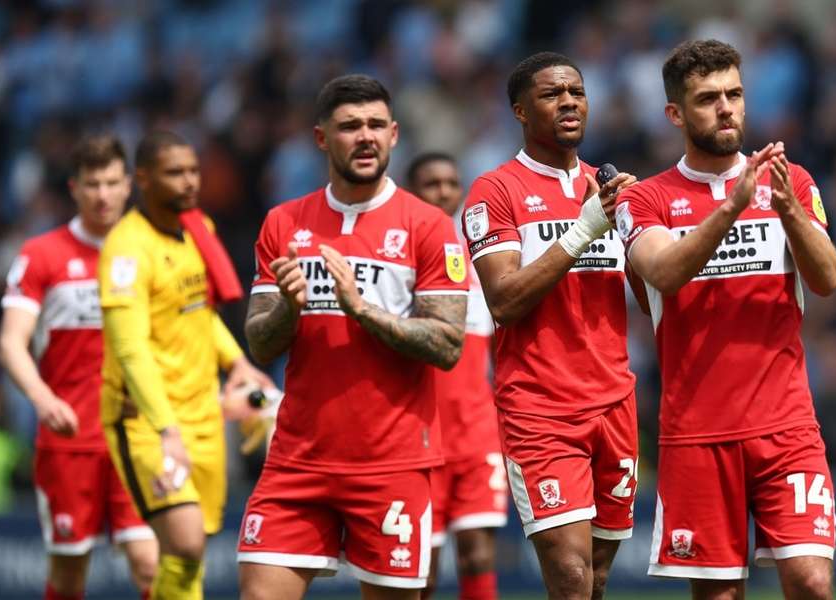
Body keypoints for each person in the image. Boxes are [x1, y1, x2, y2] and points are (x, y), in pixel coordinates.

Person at [616, 39, 836, 600]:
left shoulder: (794, 182)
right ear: (675, 113)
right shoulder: (645, 199)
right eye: (708, 98)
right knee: (718, 595)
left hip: (787, 425)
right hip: (696, 431)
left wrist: (787, 209)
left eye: (735, 94)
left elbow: (828, 277)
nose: (727, 108)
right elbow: (662, 272)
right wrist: (731, 207)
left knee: (812, 581)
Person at [236, 75, 469, 600]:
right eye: (349, 127)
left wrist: (362, 310)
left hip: (392, 463)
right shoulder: (283, 222)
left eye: (374, 126)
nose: (364, 137)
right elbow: (261, 341)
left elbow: (448, 344)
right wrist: (290, 310)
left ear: (394, 134)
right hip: (297, 459)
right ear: (322, 139)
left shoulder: (428, 226)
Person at [461, 52, 642, 600]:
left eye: (577, 92)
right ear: (520, 110)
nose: (568, 101)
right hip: (540, 408)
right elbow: (504, 300)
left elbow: (653, 296)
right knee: (570, 577)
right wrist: (586, 227)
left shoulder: (614, 190)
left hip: (616, 403)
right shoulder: (495, 191)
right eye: (551, 94)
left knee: (599, 578)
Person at [97, 130, 273, 600]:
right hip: (147, 424)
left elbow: (200, 313)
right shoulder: (126, 251)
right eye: (175, 173)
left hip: (205, 413)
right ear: (143, 179)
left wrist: (238, 364)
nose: (190, 181)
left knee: (189, 553)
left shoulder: (201, 229)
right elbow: (129, 348)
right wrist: (166, 430)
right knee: (187, 542)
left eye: (193, 170)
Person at [0, 135, 158, 600]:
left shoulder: (151, 250)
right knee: (69, 575)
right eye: (93, 184)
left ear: (129, 184)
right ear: (75, 187)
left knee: (150, 564)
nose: (103, 195)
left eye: (112, 182)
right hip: (69, 441)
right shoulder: (41, 255)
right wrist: (44, 400)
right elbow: (11, 342)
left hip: (137, 436)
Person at [407, 153, 508, 600]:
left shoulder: (480, 259)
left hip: (476, 430)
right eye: (431, 183)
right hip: (420, 434)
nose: (444, 191)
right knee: (423, 572)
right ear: (411, 192)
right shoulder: (402, 260)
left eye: (451, 182)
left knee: (478, 556)